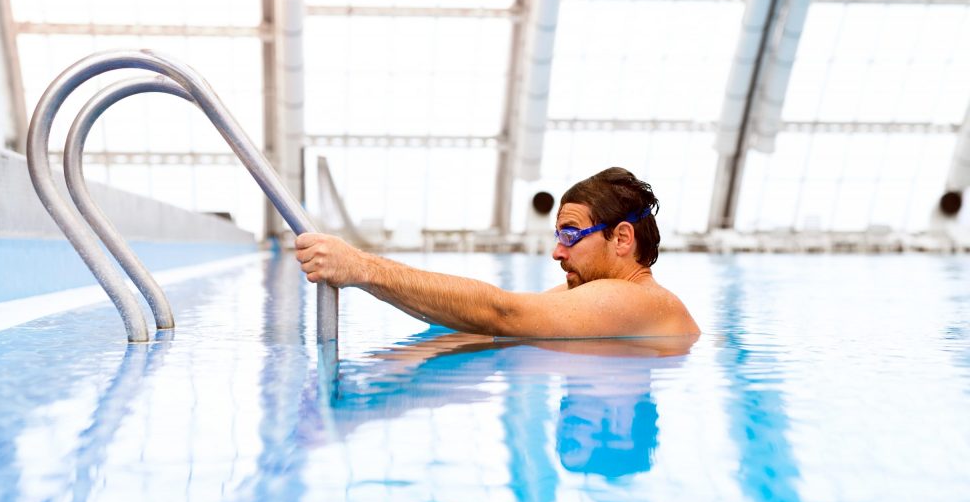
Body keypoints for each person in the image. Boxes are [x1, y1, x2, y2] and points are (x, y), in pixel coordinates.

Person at [295, 167, 700, 338]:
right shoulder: (598, 300)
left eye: (571, 235)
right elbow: (486, 323)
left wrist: (362, 268)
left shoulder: (634, 298)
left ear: (622, 239)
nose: (558, 253)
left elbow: (501, 314)